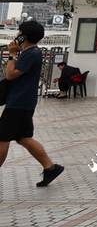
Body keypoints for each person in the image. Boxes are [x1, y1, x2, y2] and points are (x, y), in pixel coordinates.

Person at [0, 21, 64, 186]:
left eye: (19, 32)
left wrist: (12, 54)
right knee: (23, 137)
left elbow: (10, 75)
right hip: (24, 102)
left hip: (18, 103)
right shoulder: (31, 52)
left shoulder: (31, 54)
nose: (16, 35)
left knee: (2, 138)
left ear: (24, 36)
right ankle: (50, 168)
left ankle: (50, 167)